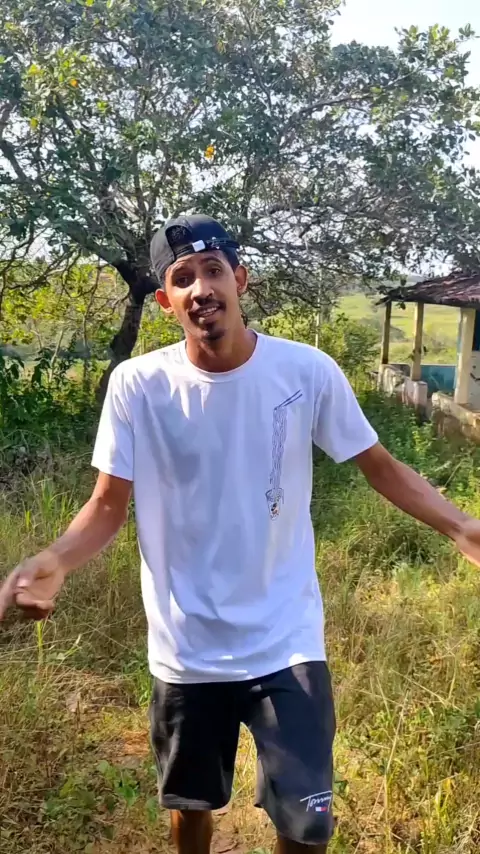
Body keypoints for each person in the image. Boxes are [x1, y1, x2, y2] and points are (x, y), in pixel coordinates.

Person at [1, 214, 480, 854]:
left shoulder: (306, 371)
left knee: (307, 827)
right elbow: (108, 505)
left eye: (213, 270)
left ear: (240, 280)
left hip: (286, 637)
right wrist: (57, 558)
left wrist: (461, 525)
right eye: (182, 278)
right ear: (166, 300)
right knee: (192, 807)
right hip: (187, 644)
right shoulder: (138, 385)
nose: (201, 287)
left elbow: (380, 466)